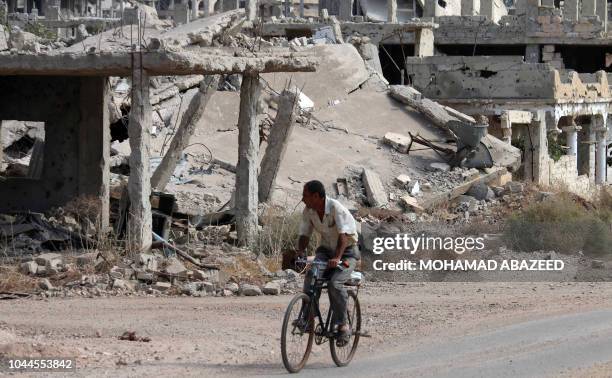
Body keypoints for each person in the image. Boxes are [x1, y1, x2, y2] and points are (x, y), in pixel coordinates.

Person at [295, 180, 360, 346]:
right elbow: (304, 234)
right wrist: (300, 252)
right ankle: (307, 318)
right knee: (311, 275)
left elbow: (344, 236)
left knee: (335, 283)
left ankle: (343, 325)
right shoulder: (309, 211)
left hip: (347, 253)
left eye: (306, 195)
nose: (303, 199)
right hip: (325, 252)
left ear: (316, 196)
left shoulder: (336, 208)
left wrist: (337, 257)